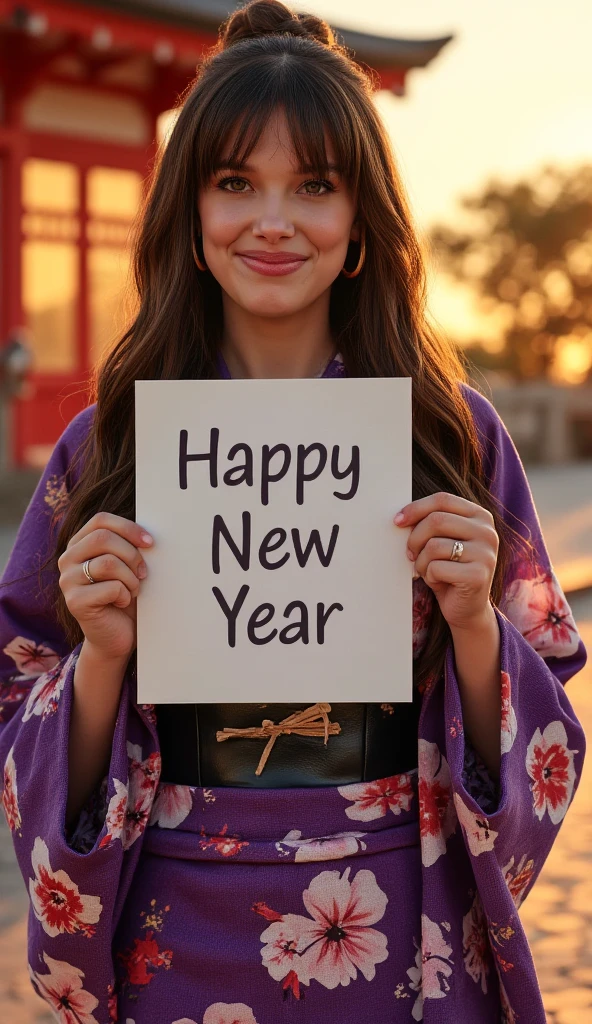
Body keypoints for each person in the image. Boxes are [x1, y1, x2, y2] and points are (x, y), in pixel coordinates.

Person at [0, 3, 586, 1021]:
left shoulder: (452, 437)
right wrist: (98, 657)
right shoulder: (110, 448)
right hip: (169, 926)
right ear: (189, 211)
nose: (272, 220)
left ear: (361, 221)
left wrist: (474, 628)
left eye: (313, 186)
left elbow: (545, 719)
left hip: (398, 923)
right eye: (235, 183)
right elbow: (18, 705)